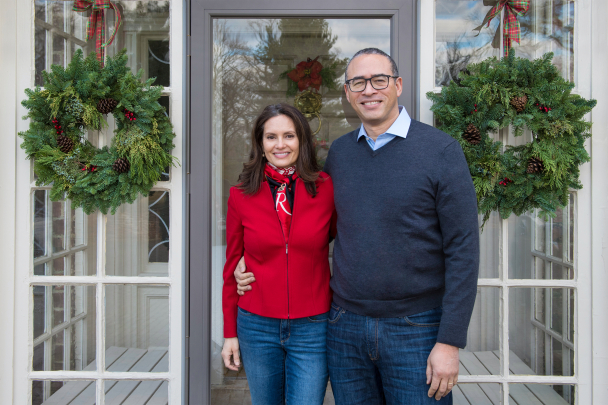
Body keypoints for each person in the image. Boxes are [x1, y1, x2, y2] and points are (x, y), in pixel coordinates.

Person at [235, 48, 480, 404]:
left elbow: (464, 250)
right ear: (348, 93)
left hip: (417, 329)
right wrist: (252, 257)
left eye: (379, 80)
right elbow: (314, 228)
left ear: (397, 85)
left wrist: (450, 340)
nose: (369, 90)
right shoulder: (341, 154)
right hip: (344, 326)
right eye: (358, 83)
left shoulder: (441, 151)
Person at [221, 103, 335, 405]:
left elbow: (342, 240)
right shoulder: (240, 194)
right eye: (271, 137)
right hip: (256, 325)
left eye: (289, 136)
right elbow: (231, 266)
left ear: (302, 141)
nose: (280, 145)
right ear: (260, 143)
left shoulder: (326, 189)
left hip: (313, 327)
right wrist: (229, 332)